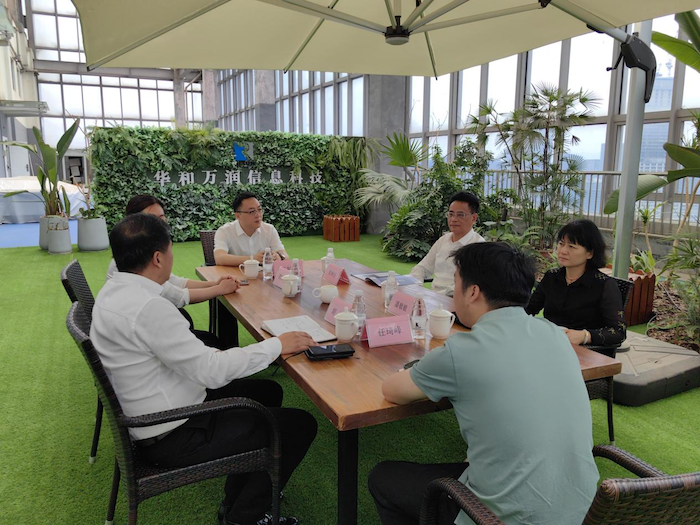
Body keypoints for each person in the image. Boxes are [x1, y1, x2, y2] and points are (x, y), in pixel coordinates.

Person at [91, 213, 318, 525]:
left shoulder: (115, 290)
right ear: (158, 258)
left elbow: (193, 361)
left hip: (161, 408)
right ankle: (243, 518)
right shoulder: (148, 307)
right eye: (170, 249)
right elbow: (211, 371)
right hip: (172, 431)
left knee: (267, 391)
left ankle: (238, 498)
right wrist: (277, 345)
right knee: (299, 425)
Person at [369, 242, 599, 525]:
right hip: (584, 510)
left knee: (383, 477)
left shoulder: (462, 351)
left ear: (473, 292)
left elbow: (392, 390)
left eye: (456, 282)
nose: (454, 291)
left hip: (500, 518)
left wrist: (426, 367)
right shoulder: (554, 334)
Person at [106, 194, 238, 349]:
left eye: (162, 218)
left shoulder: (142, 254)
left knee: (210, 339)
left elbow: (174, 282)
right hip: (144, 337)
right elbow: (178, 296)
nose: (160, 224)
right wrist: (219, 289)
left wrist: (214, 284)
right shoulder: (131, 263)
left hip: (147, 332)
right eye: (152, 219)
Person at [526, 219, 626, 348]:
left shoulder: (604, 285)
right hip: (550, 344)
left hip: (585, 351)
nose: (563, 251)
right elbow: (529, 309)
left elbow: (618, 332)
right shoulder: (552, 277)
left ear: (590, 253)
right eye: (561, 244)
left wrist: (585, 336)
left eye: (571, 246)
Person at [409, 192, 485, 296]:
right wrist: (416, 287)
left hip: (456, 301)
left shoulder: (479, 247)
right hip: (433, 297)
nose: (453, 219)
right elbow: (422, 268)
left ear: (474, 218)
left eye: (460, 215)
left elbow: (470, 286)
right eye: (451, 214)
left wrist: (436, 296)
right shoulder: (443, 240)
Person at [214, 192, 289, 266]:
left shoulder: (269, 229)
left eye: (259, 209)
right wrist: (252, 259)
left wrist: (279, 256)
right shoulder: (225, 231)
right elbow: (219, 258)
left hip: (263, 273)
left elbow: (285, 256)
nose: (258, 215)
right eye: (252, 211)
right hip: (235, 273)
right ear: (238, 216)